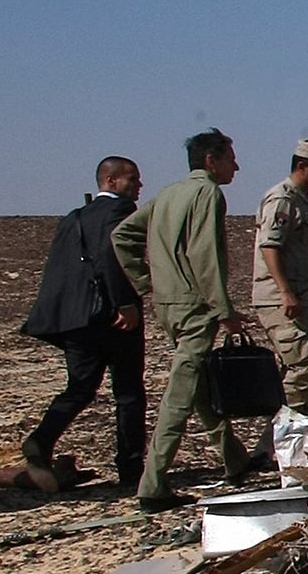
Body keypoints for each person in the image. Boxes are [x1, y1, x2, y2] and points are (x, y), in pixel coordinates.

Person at [110, 128, 257, 511]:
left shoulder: (167, 194)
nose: (236, 167)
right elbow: (205, 256)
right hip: (195, 308)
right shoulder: (207, 193)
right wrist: (224, 312)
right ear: (211, 161)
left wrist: (148, 283)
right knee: (179, 395)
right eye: (230, 158)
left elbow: (123, 236)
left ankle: (234, 458)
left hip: (169, 306)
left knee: (198, 384)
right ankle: (153, 485)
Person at [19, 157, 148, 494]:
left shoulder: (73, 218)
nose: (138, 186)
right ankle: (131, 471)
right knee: (129, 392)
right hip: (112, 317)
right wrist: (126, 302)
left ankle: (42, 439)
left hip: (76, 319)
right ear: (110, 180)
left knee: (80, 387)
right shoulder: (119, 212)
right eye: (132, 179)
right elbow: (112, 255)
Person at [253, 141, 308, 413]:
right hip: (282, 303)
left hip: (300, 303)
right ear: (302, 166)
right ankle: (281, 440)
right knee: (303, 367)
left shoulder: (302, 203)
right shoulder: (282, 200)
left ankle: (274, 443)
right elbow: (270, 246)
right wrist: (285, 291)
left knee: (296, 368)